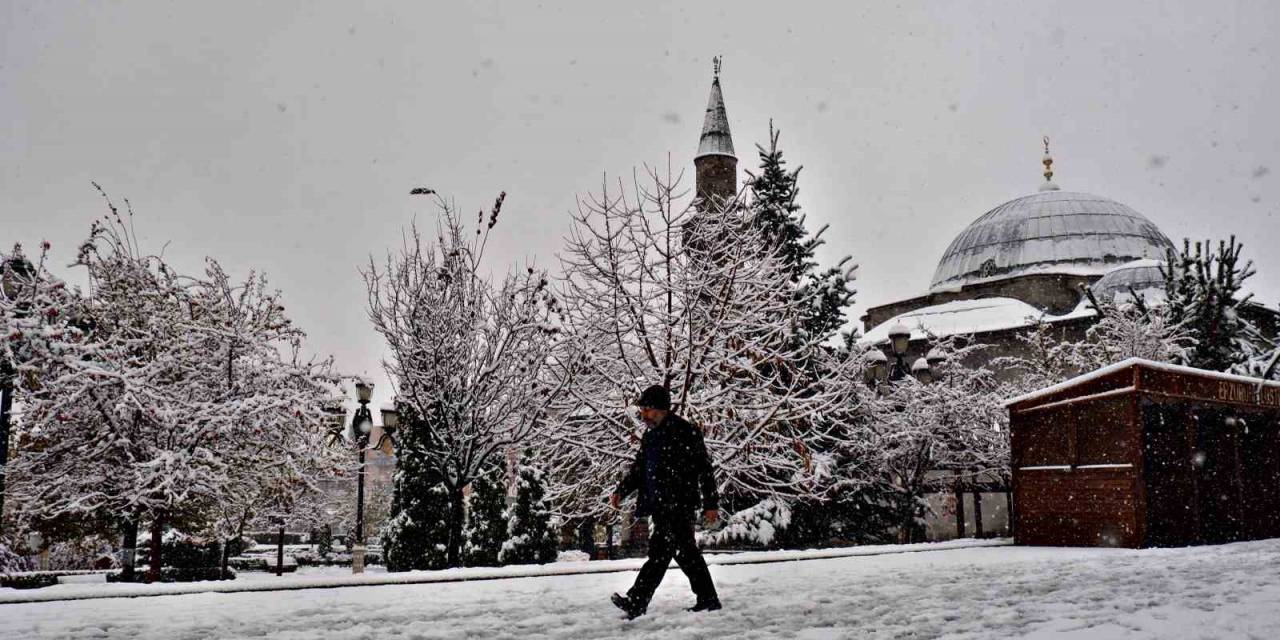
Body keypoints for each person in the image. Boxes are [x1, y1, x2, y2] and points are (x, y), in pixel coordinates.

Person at [609, 384, 722, 619]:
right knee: (684, 553)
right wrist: (621, 491)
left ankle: (637, 601)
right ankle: (708, 598)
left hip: (680, 505)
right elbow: (639, 470)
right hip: (659, 505)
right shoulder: (650, 437)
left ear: (661, 409)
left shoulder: (686, 432)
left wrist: (711, 504)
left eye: (648, 409)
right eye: (642, 409)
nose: (644, 415)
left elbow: (704, 470)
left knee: (661, 554)